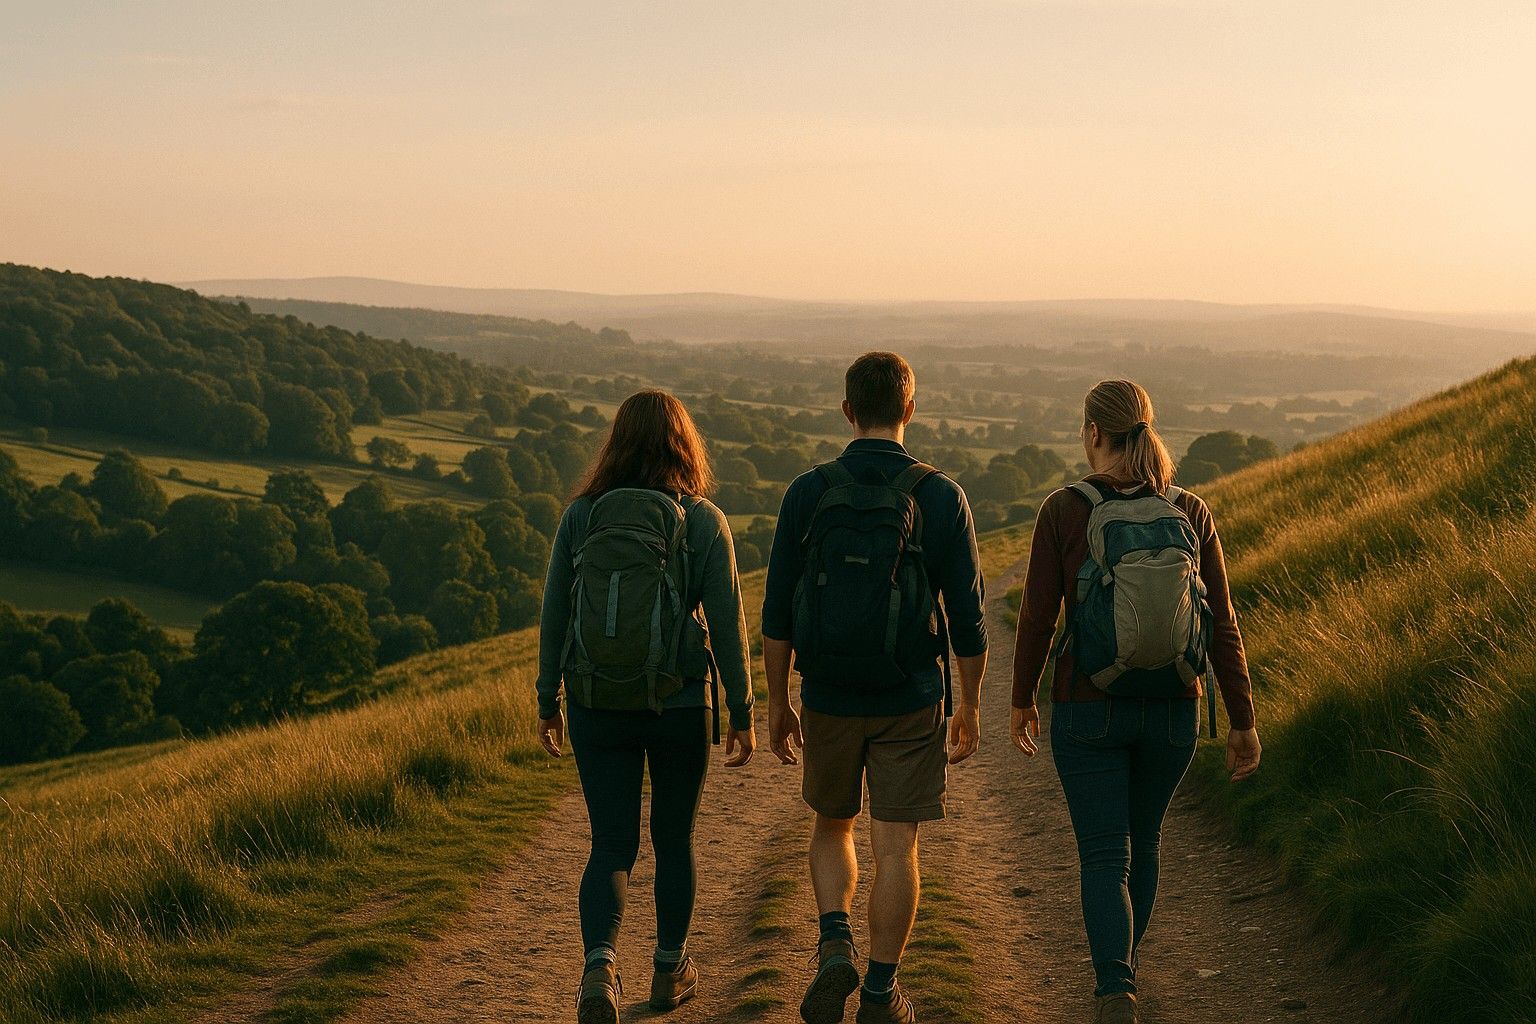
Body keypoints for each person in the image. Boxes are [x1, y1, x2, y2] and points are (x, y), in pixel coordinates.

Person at [1010, 379, 1262, 1024]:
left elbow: (1037, 618)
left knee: (1102, 853)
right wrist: (1242, 720)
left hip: (1086, 706)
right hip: (1176, 707)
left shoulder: (1064, 509)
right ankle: (1125, 969)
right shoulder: (1190, 510)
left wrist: (1022, 700)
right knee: (1143, 842)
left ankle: (1114, 985)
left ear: (1094, 432)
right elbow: (1224, 622)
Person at [763, 351, 989, 1024]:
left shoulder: (808, 491)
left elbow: (777, 610)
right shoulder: (941, 496)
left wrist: (777, 701)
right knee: (897, 844)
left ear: (847, 412)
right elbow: (969, 618)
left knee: (832, 826)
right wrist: (970, 703)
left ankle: (836, 941)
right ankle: (883, 994)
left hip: (828, 693)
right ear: (910, 411)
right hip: (911, 695)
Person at [535, 390, 757, 1023]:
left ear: (616, 442)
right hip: (678, 704)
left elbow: (555, 611)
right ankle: (667, 969)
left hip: (595, 701)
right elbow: (727, 619)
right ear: (684, 445)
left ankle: (599, 970)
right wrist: (742, 711)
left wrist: (548, 698)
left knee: (609, 844)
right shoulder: (704, 521)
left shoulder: (581, 517)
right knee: (673, 838)